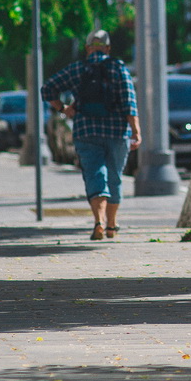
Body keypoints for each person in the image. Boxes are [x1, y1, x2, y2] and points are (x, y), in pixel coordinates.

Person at [41, 29, 140, 240]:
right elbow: (129, 103)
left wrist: (64, 109)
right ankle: (112, 225)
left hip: (85, 131)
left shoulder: (77, 68)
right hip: (117, 131)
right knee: (114, 177)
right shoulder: (118, 67)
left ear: (87, 49)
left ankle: (98, 222)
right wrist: (136, 131)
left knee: (95, 175)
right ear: (108, 48)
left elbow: (48, 89)